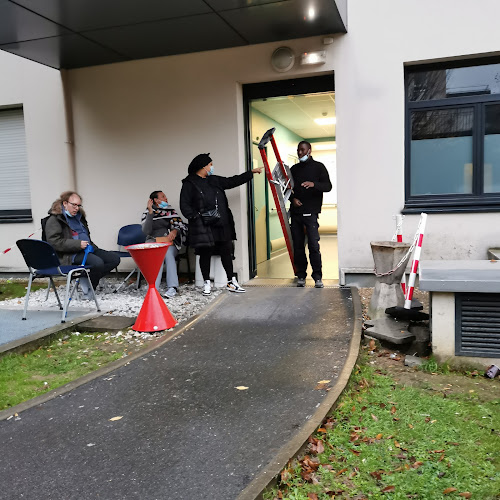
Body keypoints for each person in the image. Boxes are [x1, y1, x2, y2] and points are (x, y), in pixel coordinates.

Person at [180, 153, 263, 295]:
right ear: (203, 166)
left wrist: (250, 173)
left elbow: (232, 181)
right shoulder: (190, 183)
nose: (212, 167)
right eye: (210, 164)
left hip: (222, 224)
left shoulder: (214, 180)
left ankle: (231, 281)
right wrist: (197, 218)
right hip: (205, 226)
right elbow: (185, 205)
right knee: (205, 253)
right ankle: (207, 283)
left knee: (226, 251)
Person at [44, 191, 120, 296]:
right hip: (70, 254)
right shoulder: (55, 219)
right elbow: (54, 242)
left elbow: (85, 235)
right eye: (74, 205)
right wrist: (77, 244)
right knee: (97, 263)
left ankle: (84, 277)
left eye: (79, 205)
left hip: (87, 248)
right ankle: (90, 290)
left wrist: (93, 247)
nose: (77, 208)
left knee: (114, 259)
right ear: (65, 203)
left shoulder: (80, 217)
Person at [289, 141, 332, 288]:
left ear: (309, 150)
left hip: (311, 213)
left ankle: (318, 276)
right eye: (298, 150)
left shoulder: (319, 167)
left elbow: (328, 186)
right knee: (298, 246)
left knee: (313, 246)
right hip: (296, 214)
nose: (300, 153)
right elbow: (287, 189)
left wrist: (314, 184)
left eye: (302, 150)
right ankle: (301, 275)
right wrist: (292, 199)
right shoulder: (293, 169)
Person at [141, 190, 188, 298]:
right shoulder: (147, 213)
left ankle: (173, 287)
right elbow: (146, 231)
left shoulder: (170, 211)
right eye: (163, 197)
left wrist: (175, 231)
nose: (166, 198)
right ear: (156, 200)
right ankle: (153, 289)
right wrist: (150, 213)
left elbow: (181, 226)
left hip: (169, 243)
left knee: (166, 253)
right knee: (157, 254)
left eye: (165, 196)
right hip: (153, 243)